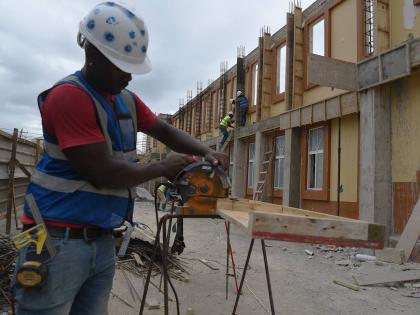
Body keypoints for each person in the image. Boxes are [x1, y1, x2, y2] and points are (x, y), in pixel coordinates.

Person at [13, 3, 227, 315]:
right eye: (122, 66)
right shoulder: (70, 97)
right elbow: (102, 173)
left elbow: (163, 130)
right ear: (94, 54)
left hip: (100, 239)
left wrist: (205, 151)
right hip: (55, 242)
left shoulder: (123, 99)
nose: (129, 76)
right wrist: (162, 167)